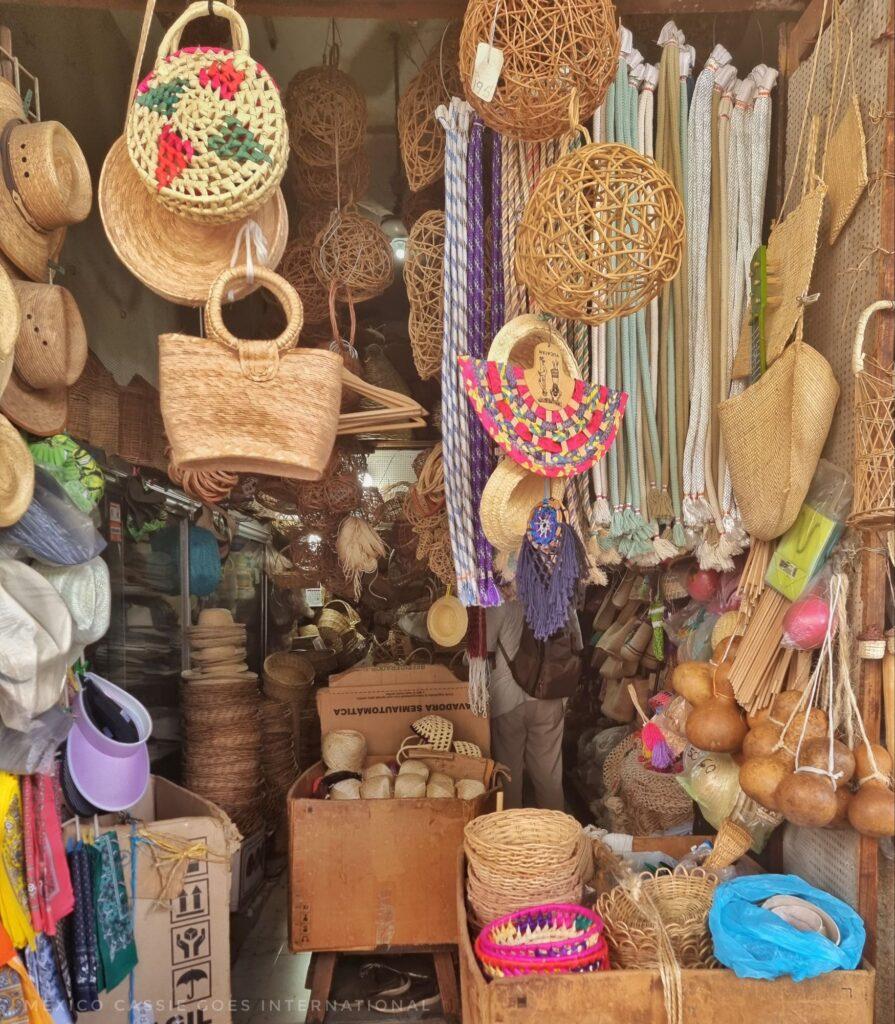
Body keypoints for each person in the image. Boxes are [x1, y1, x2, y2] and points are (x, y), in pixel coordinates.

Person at [485, 599, 581, 811]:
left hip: (508, 699)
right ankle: (556, 833)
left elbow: (483, 649)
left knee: (509, 772)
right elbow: (578, 646)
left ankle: (513, 832)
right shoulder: (561, 599)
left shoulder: (499, 602)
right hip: (550, 696)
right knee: (549, 773)